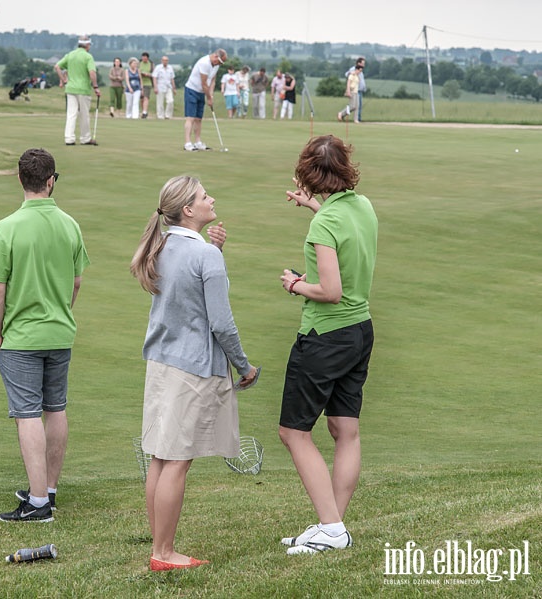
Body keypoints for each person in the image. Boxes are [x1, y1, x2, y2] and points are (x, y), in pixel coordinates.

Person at [130, 175, 258, 571]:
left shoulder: (164, 244)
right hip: (193, 370)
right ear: (188, 209)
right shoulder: (205, 256)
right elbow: (221, 323)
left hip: (161, 364)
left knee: (159, 456)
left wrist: (213, 250)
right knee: (178, 460)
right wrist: (244, 365)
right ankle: (164, 553)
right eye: (204, 196)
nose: (211, 198)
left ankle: (160, 545)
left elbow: (188, 284)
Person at [277, 135, 378, 555]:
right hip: (360, 331)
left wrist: (297, 284)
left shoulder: (324, 225)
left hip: (325, 336)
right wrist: (314, 206)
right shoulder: (362, 206)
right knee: (344, 429)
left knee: (293, 432)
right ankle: (331, 524)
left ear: (308, 174)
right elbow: (342, 229)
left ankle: (332, 527)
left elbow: (331, 290)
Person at [0, 148, 91, 523]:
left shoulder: (6, 227)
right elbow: (76, 282)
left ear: (20, 180)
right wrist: (62, 313)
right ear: (51, 181)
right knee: (55, 408)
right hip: (60, 332)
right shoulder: (70, 224)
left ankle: (39, 502)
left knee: (27, 414)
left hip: (22, 337)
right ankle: (48, 488)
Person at [55, 35, 101, 146]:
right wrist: (95, 87)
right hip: (83, 89)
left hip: (70, 88)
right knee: (84, 114)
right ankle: (85, 138)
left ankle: (69, 139)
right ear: (87, 45)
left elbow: (57, 66)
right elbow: (92, 73)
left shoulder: (70, 55)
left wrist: (63, 80)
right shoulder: (88, 56)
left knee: (71, 114)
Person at [183, 49, 227, 152]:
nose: (220, 64)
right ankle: (187, 143)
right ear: (216, 56)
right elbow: (204, 83)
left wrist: (211, 94)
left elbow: (212, 80)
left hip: (201, 92)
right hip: (192, 90)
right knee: (191, 118)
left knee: (199, 118)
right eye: (220, 62)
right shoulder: (204, 63)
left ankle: (198, 142)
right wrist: (209, 98)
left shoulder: (216, 65)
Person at [152, 55, 176, 120]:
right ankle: (160, 116)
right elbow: (154, 77)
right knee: (160, 102)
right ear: (161, 61)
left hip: (168, 86)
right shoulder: (158, 67)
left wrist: (174, 88)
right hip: (160, 86)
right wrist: (155, 87)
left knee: (170, 101)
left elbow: (172, 78)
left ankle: (168, 115)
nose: (165, 62)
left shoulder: (170, 68)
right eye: (164, 60)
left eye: (166, 60)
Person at [344, 58, 366, 122]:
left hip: (359, 90)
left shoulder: (361, 71)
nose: (364, 65)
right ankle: (342, 114)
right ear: (359, 63)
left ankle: (358, 118)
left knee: (358, 105)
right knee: (353, 106)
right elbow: (347, 74)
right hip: (354, 90)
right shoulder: (353, 69)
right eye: (362, 63)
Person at [139, 52, 153, 119]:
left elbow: (154, 74)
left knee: (146, 97)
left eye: (145, 57)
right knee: (141, 99)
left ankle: (145, 111)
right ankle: (143, 111)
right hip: (139, 83)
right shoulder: (139, 63)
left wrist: (148, 74)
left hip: (147, 83)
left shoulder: (151, 64)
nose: (144, 59)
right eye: (143, 57)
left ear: (147, 58)